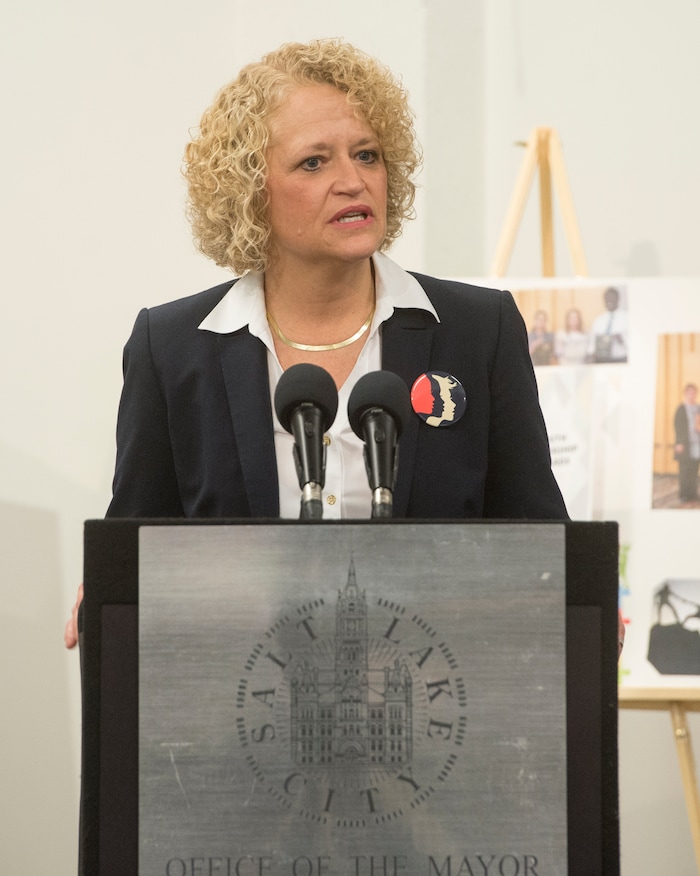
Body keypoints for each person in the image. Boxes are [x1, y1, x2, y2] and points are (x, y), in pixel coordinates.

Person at [64, 38, 568, 649]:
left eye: (368, 155)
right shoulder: (172, 349)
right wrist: (113, 588)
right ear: (252, 191)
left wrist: (578, 595)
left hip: (436, 700)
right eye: (314, 163)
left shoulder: (476, 328)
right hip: (243, 707)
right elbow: (137, 542)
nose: (353, 181)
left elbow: (539, 537)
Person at [587, 286, 628, 363]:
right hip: (601, 360)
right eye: (607, 298)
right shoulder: (598, 321)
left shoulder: (627, 318)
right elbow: (592, 343)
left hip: (621, 359)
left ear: (618, 299)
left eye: (612, 298)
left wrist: (622, 339)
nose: (610, 301)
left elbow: (635, 343)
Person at [674, 382, 700, 502]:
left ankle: (692, 493)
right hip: (685, 444)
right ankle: (684, 494)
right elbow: (678, 426)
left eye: (694, 393)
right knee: (684, 469)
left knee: (694, 468)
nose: (692, 395)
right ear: (685, 394)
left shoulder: (698, 408)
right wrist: (679, 442)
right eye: (689, 392)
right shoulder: (681, 408)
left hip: (697, 443)